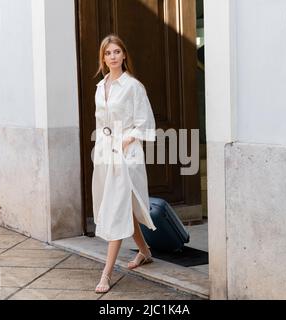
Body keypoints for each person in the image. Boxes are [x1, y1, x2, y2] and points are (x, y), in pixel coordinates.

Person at [92, 34, 157, 294]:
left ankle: (106, 274)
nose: (113, 57)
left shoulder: (133, 87)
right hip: (105, 152)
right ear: (103, 57)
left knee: (116, 209)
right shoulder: (100, 87)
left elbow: (146, 123)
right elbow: (100, 122)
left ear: (124, 55)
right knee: (121, 206)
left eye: (117, 52)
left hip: (126, 154)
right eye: (108, 53)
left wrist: (128, 140)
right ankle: (145, 251)